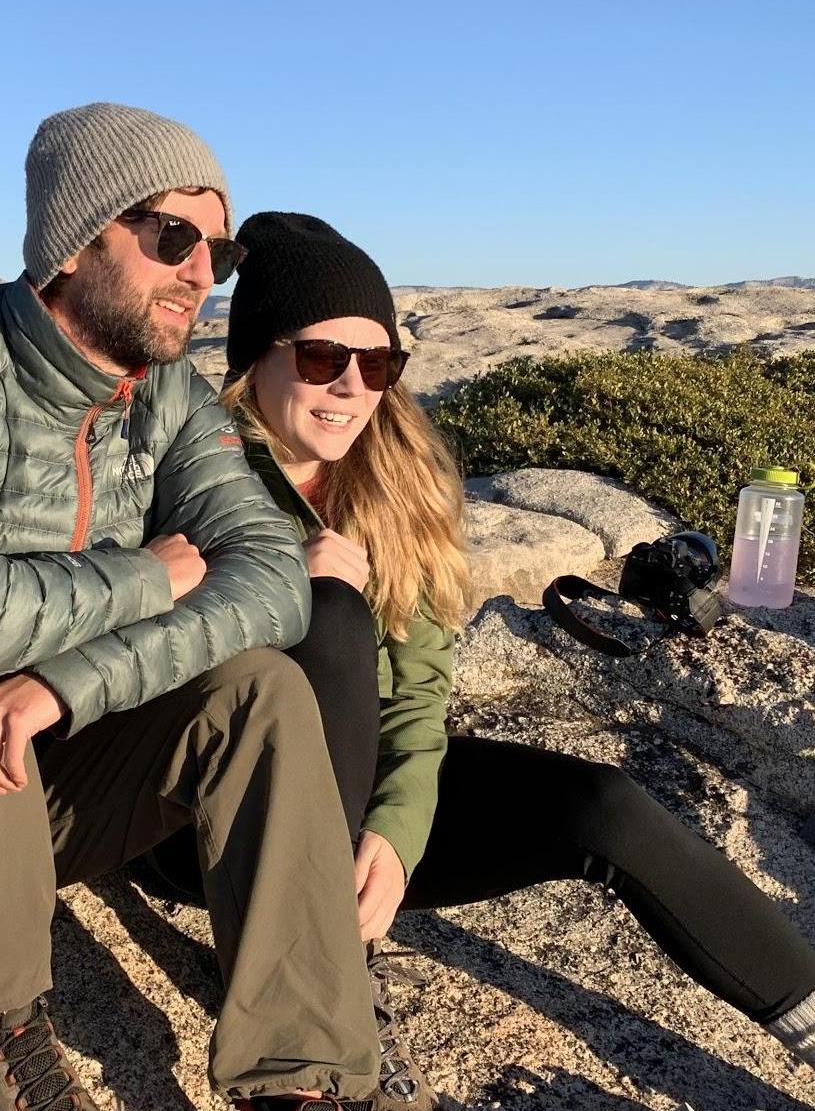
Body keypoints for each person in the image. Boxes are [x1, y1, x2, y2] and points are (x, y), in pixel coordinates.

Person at [0, 107, 420, 1111]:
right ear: (75, 235)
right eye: (174, 238)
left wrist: (64, 683)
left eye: (217, 250)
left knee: (260, 686)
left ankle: (299, 1071)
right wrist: (142, 578)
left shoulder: (172, 399)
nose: (201, 273)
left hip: (35, 795)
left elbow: (272, 579)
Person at [149, 211, 815, 1103]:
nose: (349, 386)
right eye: (318, 359)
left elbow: (419, 700)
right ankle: (321, 1005)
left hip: (352, 806)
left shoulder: (401, 484)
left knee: (603, 807)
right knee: (332, 617)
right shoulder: (191, 468)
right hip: (205, 824)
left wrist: (394, 828)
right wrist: (268, 582)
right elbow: (142, 662)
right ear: (255, 360)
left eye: (376, 364)